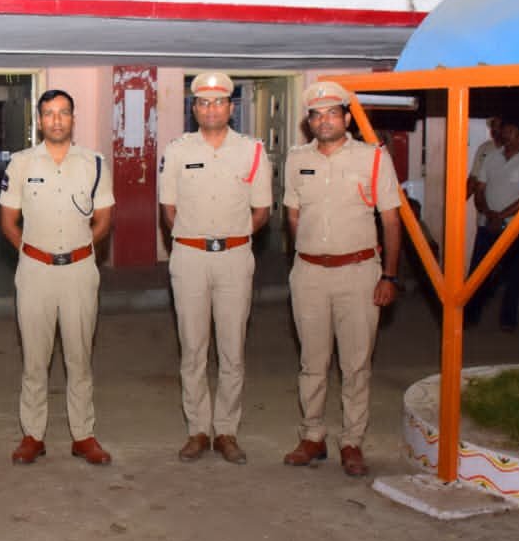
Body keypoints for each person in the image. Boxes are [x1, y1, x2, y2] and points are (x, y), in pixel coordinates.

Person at [283, 81, 402, 478]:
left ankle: (352, 441)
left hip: (359, 274)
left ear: (347, 118)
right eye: (317, 115)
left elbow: (391, 221)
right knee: (312, 362)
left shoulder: (373, 158)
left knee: (356, 364)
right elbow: (293, 215)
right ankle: (312, 436)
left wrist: (389, 276)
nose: (324, 121)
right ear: (309, 122)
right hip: (310, 274)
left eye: (332, 113)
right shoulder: (297, 159)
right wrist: (306, 254)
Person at [158, 72, 272, 465]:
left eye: (219, 102)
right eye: (204, 103)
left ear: (230, 107)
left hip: (235, 259)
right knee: (192, 348)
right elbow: (168, 210)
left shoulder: (252, 151)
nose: (211, 109)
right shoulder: (176, 151)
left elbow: (262, 211)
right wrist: (196, 239)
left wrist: (233, 238)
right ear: (194, 109)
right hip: (189, 257)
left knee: (232, 349)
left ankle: (226, 430)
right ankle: (197, 429)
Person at [0, 89, 115, 465]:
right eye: (49, 113)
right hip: (35, 272)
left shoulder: (95, 163)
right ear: (39, 120)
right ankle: (33, 435)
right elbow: (8, 222)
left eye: (63, 112)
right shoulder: (21, 164)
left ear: (73, 119)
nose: (56, 120)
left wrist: (80, 250)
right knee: (35, 359)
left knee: (79, 358)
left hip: (80, 271)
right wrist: (32, 253)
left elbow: (103, 219)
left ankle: (83, 435)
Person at [466, 115, 519, 332]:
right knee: (478, 272)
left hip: (515, 228)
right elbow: (480, 189)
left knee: (514, 276)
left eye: (510, 132)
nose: (505, 135)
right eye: (504, 131)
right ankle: (471, 314)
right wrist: (488, 213)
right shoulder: (492, 157)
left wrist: (502, 216)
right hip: (488, 223)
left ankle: (508, 319)